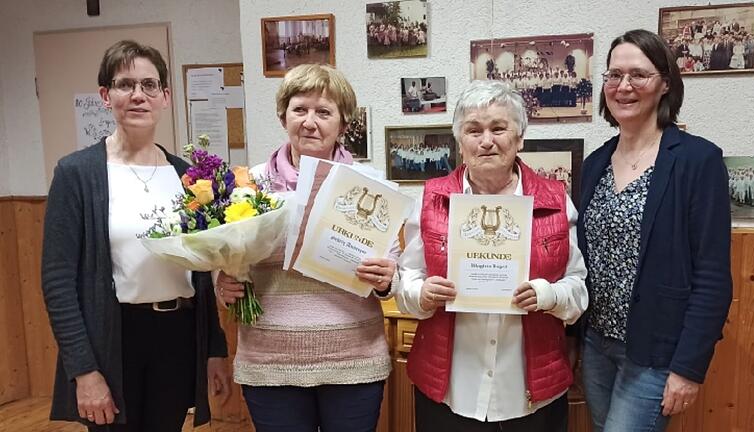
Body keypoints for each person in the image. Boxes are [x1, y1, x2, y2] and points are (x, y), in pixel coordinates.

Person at [41, 40, 230, 431]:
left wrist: (214, 349)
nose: (138, 95)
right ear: (106, 96)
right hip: (114, 340)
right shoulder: (77, 174)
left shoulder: (188, 177)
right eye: (126, 85)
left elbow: (202, 270)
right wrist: (84, 371)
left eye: (149, 85)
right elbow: (58, 283)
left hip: (177, 338)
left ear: (165, 96)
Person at [396, 80, 589, 432]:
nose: (486, 140)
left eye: (498, 128)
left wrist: (548, 295)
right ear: (460, 142)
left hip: (530, 394)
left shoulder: (555, 199)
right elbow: (407, 281)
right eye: (474, 130)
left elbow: (578, 290)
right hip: (450, 391)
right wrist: (420, 295)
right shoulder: (430, 200)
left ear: (519, 138)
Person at [215, 64, 396, 432]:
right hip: (270, 362)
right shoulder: (251, 184)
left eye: (324, 112)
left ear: (343, 124)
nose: (310, 122)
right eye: (300, 109)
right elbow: (225, 255)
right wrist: (224, 284)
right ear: (284, 116)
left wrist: (386, 278)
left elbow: (391, 266)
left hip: (353, 360)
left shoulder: (370, 186)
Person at [579, 29, 732, 432]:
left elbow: (713, 276)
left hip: (655, 351)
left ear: (665, 83)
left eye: (638, 75)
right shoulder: (595, 164)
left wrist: (689, 368)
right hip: (596, 343)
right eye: (614, 76)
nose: (623, 86)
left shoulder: (698, 160)